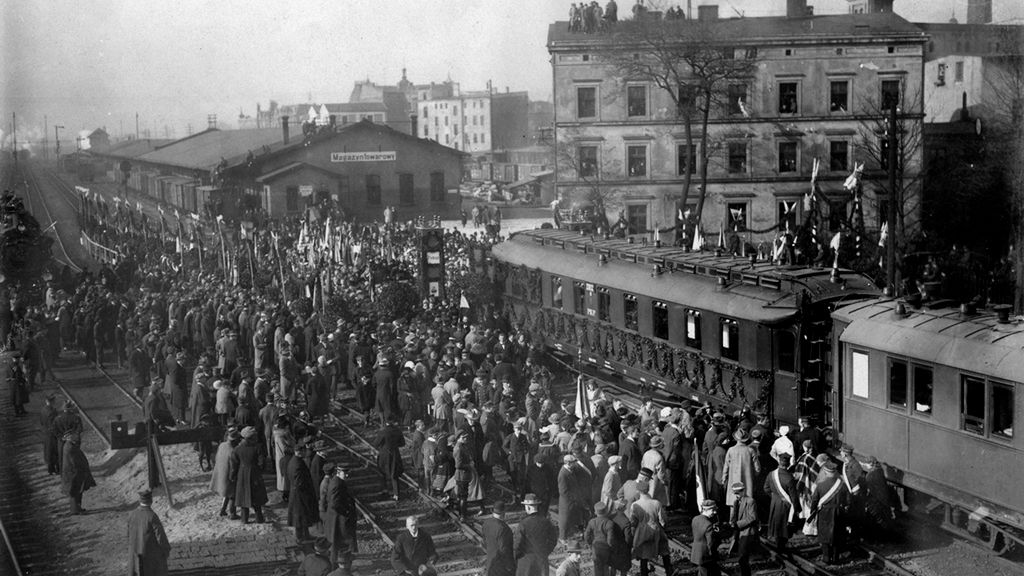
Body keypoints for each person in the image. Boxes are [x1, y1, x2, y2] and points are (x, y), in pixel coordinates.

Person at [628, 480, 671, 576]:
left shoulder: (635, 505)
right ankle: (669, 572)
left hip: (642, 531)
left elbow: (633, 522)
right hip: (656, 529)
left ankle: (644, 573)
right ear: (648, 490)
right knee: (664, 550)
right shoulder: (656, 503)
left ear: (639, 491)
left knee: (643, 555)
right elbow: (663, 520)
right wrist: (663, 527)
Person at [810, 460, 848, 565]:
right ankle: (836, 558)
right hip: (838, 512)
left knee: (824, 535)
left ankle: (826, 557)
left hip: (824, 512)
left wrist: (813, 512)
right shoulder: (842, 485)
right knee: (837, 534)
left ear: (826, 472)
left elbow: (814, 500)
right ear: (835, 472)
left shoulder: (820, 485)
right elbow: (848, 501)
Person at [127, 489, 171, 576]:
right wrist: (166, 550)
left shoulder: (131, 514)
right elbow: (160, 537)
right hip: (148, 555)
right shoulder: (152, 516)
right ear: (151, 501)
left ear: (140, 501)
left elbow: (128, 534)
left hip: (135, 552)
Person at [229, 426, 268, 524]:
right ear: (250, 438)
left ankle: (244, 519)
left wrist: (233, 476)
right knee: (257, 499)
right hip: (255, 475)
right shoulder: (257, 448)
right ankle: (259, 519)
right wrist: (259, 470)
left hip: (242, 474)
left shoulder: (237, 449)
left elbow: (234, 465)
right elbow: (262, 463)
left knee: (243, 498)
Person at [764, 453, 799, 554]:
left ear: (779, 461)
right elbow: (793, 497)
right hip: (786, 506)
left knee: (777, 525)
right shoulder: (790, 478)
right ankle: (781, 546)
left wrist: (774, 497)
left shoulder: (771, 474)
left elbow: (766, 488)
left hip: (775, 503)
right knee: (784, 526)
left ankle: (778, 545)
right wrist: (797, 508)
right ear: (788, 464)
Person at [324, 466, 357, 571]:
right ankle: (338, 566)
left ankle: (337, 565)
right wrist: (346, 511)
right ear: (338, 472)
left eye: (347, 473)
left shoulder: (336, 481)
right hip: (338, 519)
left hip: (336, 518)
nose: (347, 475)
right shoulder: (337, 484)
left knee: (337, 543)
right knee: (341, 543)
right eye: (344, 473)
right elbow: (334, 503)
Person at [515, 494, 557, 576]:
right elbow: (553, 540)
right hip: (542, 562)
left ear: (528, 507)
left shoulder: (523, 524)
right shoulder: (546, 522)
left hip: (526, 563)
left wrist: (515, 557)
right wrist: (545, 552)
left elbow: (517, 545)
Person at [584, 501, 629, 576]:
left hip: (595, 548)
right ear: (606, 511)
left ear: (595, 512)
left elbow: (586, 535)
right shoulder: (609, 523)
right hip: (606, 549)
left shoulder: (592, 522)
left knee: (597, 567)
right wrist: (612, 547)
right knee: (605, 567)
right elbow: (610, 540)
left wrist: (590, 544)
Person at [288, 443, 320, 543]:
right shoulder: (298, 464)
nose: (306, 452)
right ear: (300, 452)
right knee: (299, 517)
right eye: (305, 451)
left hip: (296, 493)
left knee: (303, 516)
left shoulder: (294, 461)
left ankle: (305, 535)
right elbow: (299, 483)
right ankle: (300, 537)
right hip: (300, 495)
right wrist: (307, 492)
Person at [61, 432, 96, 515]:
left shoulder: (70, 445)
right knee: (74, 491)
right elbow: (74, 461)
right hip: (73, 472)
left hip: (74, 472)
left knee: (77, 490)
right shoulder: (69, 447)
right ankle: (75, 510)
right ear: (69, 437)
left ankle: (77, 508)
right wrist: (81, 468)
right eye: (73, 435)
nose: (76, 437)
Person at [210, 429, 241, 519]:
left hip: (221, 472)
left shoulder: (222, 445)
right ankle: (232, 513)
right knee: (233, 494)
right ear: (235, 440)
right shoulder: (233, 451)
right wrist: (234, 476)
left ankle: (223, 510)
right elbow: (233, 467)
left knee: (226, 493)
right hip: (228, 475)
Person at [729, 482, 758, 576]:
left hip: (747, 532)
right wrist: (731, 522)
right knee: (741, 556)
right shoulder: (736, 501)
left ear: (743, 491)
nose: (736, 495)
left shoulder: (750, 501)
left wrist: (737, 524)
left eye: (738, 493)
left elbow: (752, 517)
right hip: (738, 532)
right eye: (735, 493)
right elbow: (734, 515)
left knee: (743, 557)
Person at [481, 500, 515, 576]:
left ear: (493, 511)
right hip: (502, 568)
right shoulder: (504, 528)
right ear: (504, 512)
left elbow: (484, 542)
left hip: (490, 564)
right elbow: (504, 550)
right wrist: (511, 566)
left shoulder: (486, 523)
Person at [690, 500, 721, 576]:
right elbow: (710, 543)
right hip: (706, 556)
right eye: (713, 510)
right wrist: (714, 555)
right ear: (707, 510)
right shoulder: (708, 524)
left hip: (696, 553)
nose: (715, 512)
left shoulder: (695, 519)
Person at [377, 419, 406, 501]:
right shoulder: (398, 431)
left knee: (382, 471)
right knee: (394, 473)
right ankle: (396, 494)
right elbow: (402, 443)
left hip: (384, 455)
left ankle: (384, 490)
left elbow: (376, 443)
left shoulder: (383, 431)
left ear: (386, 423)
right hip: (395, 454)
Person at [39, 394, 61, 475]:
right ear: (52, 401)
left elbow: (41, 422)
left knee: (48, 451)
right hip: (52, 434)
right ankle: (57, 469)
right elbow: (55, 424)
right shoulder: (53, 411)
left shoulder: (43, 410)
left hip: (46, 433)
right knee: (55, 451)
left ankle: (50, 469)